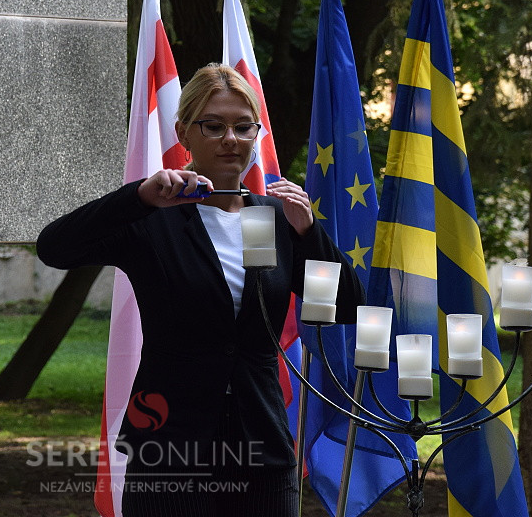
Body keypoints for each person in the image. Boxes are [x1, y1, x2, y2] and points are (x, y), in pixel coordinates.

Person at [37, 63, 364, 517]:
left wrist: (309, 233)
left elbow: (346, 306)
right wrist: (138, 197)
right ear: (184, 133)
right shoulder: (155, 216)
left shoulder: (272, 218)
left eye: (243, 127)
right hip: (171, 447)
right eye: (213, 126)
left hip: (261, 447)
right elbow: (54, 248)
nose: (231, 139)